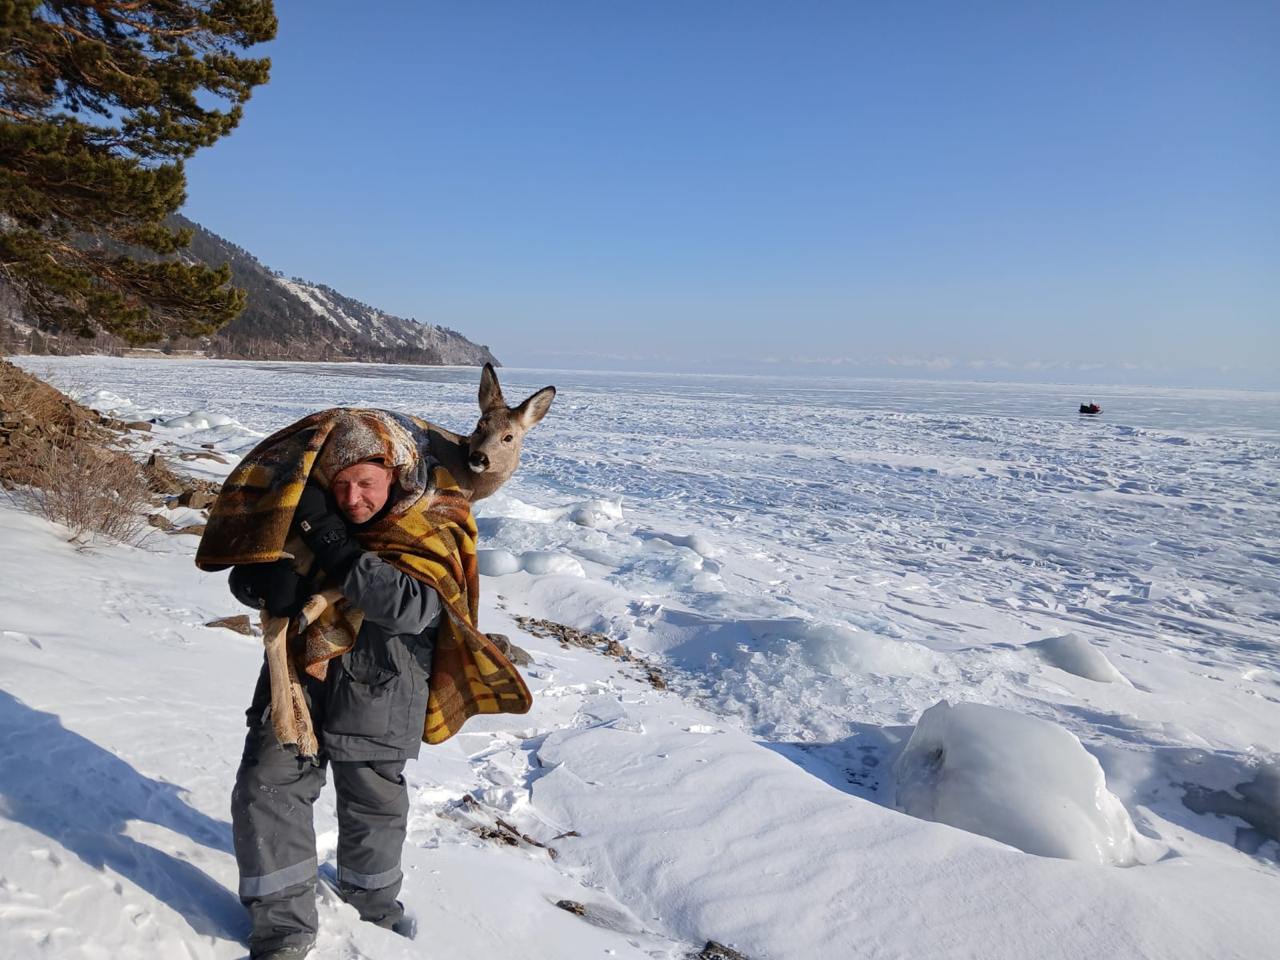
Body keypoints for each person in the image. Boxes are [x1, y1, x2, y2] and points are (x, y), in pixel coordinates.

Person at [228, 457, 440, 960]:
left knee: (373, 804)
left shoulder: (427, 525)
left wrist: (335, 545)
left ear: (393, 477)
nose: (352, 499)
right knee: (266, 786)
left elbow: (413, 609)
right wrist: (259, 585)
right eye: (340, 485)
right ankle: (282, 929)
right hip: (296, 680)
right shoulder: (298, 514)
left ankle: (373, 911)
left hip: (382, 685)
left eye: (366, 483)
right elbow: (243, 569)